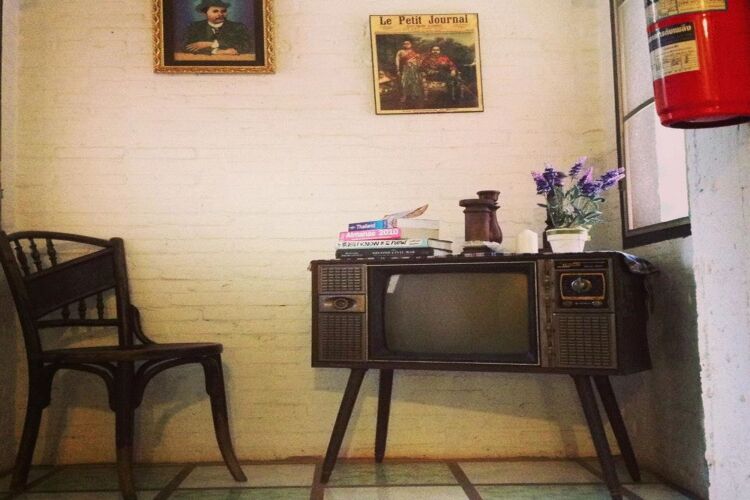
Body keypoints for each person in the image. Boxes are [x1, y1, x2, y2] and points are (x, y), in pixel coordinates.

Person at [184, 0, 252, 56]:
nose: (220, 14)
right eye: (215, 11)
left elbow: (247, 46)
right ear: (205, 14)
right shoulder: (194, 27)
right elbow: (185, 46)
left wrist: (211, 44)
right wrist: (215, 52)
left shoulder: (238, 27)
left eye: (223, 11)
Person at [394, 40, 423, 105]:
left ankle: (413, 95)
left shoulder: (414, 52)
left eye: (408, 43)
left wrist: (418, 62)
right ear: (403, 45)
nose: (406, 45)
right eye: (405, 43)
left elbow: (419, 60)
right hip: (405, 68)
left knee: (414, 81)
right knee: (404, 82)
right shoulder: (400, 51)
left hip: (414, 68)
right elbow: (397, 60)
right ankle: (404, 96)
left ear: (411, 44)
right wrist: (397, 69)